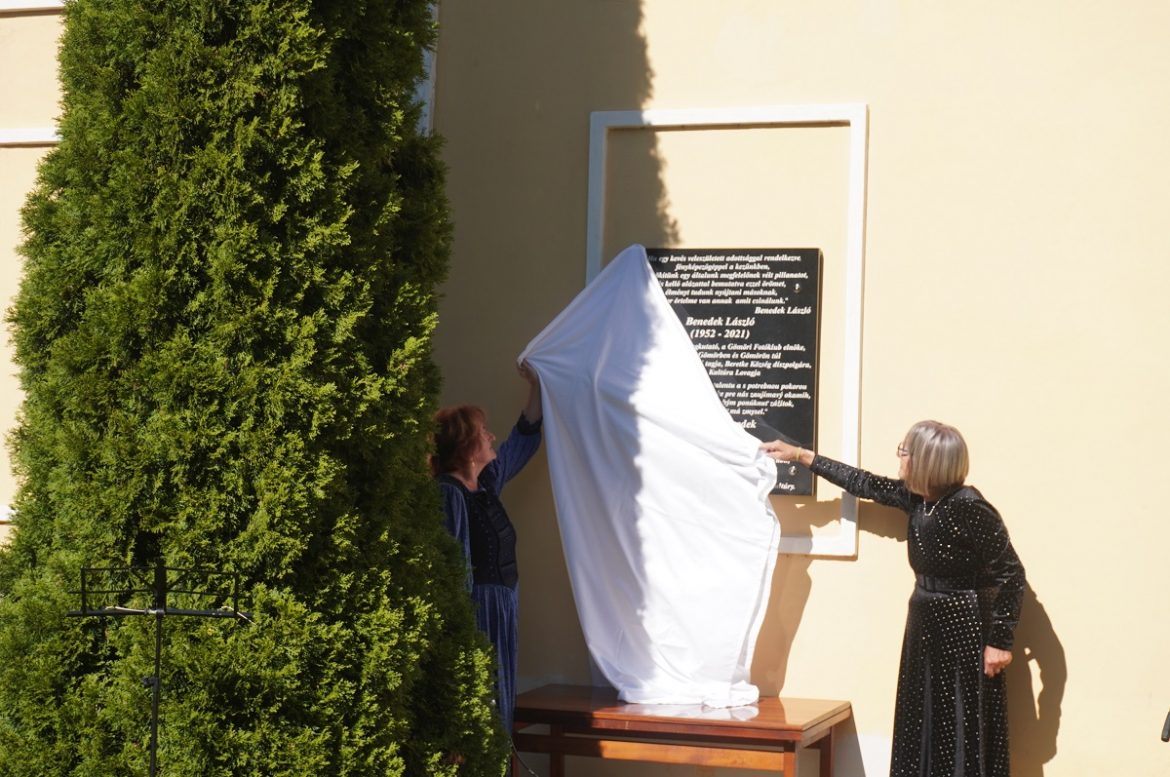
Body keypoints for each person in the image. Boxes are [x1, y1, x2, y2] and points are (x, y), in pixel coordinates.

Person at [761, 421, 1025, 777]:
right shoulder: (918, 500)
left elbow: (1011, 573)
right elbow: (864, 483)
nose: (899, 457)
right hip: (925, 625)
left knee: (959, 725)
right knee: (924, 721)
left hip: (964, 630)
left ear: (928, 461)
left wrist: (1000, 642)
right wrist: (803, 457)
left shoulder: (970, 507)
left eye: (905, 451)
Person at [431, 362, 542, 734]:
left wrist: (537, 385)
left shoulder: (486, 485)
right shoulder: (449, 493)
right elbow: (455, 569)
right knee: (482, 710)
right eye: (482, 433)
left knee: (501, 712)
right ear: (465, 448)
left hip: (503, 608)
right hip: (479, 614)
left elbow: (520, 441)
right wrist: (464, 635)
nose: (491, 437)